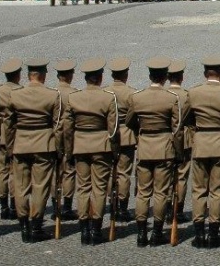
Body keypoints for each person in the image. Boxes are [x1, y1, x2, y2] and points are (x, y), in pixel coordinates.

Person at [184, 55, 220, 248]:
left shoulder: (193, 92)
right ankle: (214, 234)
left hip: (201, 142)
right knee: (218, 190)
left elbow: (186, 118)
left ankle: (199, 233)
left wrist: (196, 132)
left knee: (199, 190)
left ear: (204, 73)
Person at [125, 56, 181, 246]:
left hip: (145, 146)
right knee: (161, 193)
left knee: (143, 192)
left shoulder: (137, 97)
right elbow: (177, 128)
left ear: (150, 76)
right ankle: (157, 233)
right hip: (164, 146)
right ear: (165, 77)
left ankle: (141, 233)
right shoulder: (171, 98)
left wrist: (142, 131)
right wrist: (179, 152)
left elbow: (129, 121)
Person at [63, 58, 119, 245]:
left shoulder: (74, 97)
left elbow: (67, 129)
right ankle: (96, 229)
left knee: (83, 188)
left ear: (86, 78)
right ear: (100, 78)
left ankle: (84, 230)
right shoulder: (108, 97)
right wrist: (115, 151)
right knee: (99, 188)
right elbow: (113, 129)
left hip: (80, 145)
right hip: (101, 146)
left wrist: (69, 152)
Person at [6, 58, 62, 243]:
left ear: (29, 75)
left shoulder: (15, 95)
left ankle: (24, 226)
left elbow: (9, 125)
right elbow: (58, 125)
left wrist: (10, 148)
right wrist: (59, 149)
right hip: (44, 144)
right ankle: (36, 226)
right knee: (40, 187)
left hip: (21, 143)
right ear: (43, 75)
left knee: (21, 186)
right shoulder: (52, 95)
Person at [104, 58, 136, 222]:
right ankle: (122, 207)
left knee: (111, 171)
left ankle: (112, 201)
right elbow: (134, 116)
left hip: (109, 134)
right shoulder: (131, 93)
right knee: (124, 173)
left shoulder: (105, 92)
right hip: (126, 134)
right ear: (126, 75)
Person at [0, 58, 23, 221]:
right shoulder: (20, 91)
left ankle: (3, 205)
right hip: (16, 135)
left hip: (1, 135)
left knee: (2, 170)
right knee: (14, 171)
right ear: (18, 75)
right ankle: (14, 205)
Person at [53, 60, 79, 221]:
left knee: (55, 170)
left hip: (52, 134)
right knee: (69, 169)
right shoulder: (74, 94)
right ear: (70, 76)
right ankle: (67, 206)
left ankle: (54, 204)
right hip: (70, 134)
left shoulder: (51, 92)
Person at [167, 60, 192, 221]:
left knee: (166, 175)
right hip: (184, 138)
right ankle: (179, 209)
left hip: (165, 139)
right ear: (181, 78)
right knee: (181, 175)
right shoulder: (186, 95)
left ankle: (166, 208)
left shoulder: (163, 94)